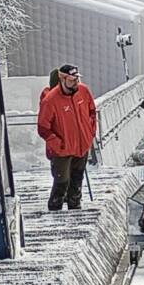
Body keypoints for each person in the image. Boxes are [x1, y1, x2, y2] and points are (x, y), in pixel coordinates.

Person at [37, 63, 97, 211]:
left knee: (77, 178)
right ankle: (55, 208)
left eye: (77, 78)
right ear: (62, 80)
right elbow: (43, 128)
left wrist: (90, 133)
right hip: (62, 149)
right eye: (72, 79)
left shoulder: (83, 91)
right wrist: (58, 144)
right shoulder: (50, 100)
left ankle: (75, 206)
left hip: (82, 145)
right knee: (62, 181)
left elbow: (92, 112)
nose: (76, 82)